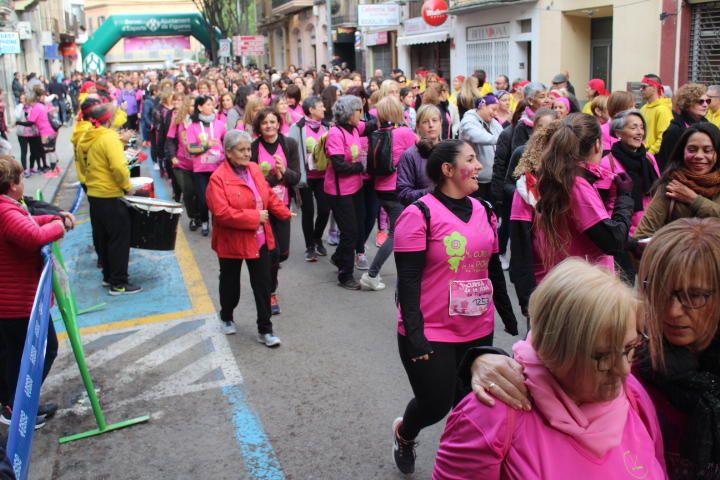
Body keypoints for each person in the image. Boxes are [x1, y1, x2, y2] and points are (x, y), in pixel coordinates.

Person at [465, 217, 720, 477]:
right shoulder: (631, 357)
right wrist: (484, 359)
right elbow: (555, 347)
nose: (672, 310)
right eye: (659, 289)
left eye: (694, 296)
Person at [434, 258, 665, 480]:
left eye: (629, 348)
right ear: (555, 351)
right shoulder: (492, 415)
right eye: (602, 356)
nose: (623, 370)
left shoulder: (633, 396)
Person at [391, 139, 517, 475]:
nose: (479, 167)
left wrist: (507, 312)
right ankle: (405, 433)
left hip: (477, 326)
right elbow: (408, 282)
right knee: (435, 405)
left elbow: (491, 267)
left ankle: (462, 466)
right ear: (448, 170)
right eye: (471, 160)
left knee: (472, 407)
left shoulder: (485, 211)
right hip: (431, 330)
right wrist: (415, 335)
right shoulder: (418, 215)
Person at [510, 114, 633, 304]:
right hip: (584, 291)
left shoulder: (547, 178)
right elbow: (612, 240)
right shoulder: (575, 183)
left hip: (558, 285)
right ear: (597, 145)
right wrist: (624, 198)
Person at [205, 130, 292, 346]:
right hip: (231, 241)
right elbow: (221, 213)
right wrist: (254, 217)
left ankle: (266, 330)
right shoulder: (218, 179)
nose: (247, 154)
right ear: (228, 152)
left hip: (259, 239)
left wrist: (283, 212)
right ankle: (226, 316)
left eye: (248, 149)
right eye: (241, 150)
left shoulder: (253, 169)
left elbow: (268, 195)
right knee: (230, 282)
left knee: (262, 285)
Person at [0, 155, 67, 429]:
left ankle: (13, 403)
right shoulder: (6, 211)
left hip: (14, 301)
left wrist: (54, 217)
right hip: (16, 303)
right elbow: (33, 236)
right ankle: (17, 408)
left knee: (14, 358)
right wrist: (59, 226)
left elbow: (29, 224)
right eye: (22, 178)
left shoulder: (10, 208)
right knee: (43, 351)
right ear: (14, 185)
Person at [77, 102, 141, 295]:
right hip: (110, 194)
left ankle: (108, 276)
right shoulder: (109, 138)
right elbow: (118, 167)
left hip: (95, 193)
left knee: (103, 237)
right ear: (110, 119)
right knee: (119, 239)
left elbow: (87, 161)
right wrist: (127, 186)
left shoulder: (87, 136)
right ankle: (119, 282)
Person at [359, 97, 417, 291]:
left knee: (402, 231)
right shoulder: (404, 132)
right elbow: (420, 151)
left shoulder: (377, 133)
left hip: (381, 188)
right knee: (397, 233)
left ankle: (408, 270)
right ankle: (372, 274)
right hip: (398, 189)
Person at [250, 108, 300, 315]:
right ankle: (270, 292)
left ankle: (271, 274)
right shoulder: (253, 148)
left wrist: (283, 172)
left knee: (283, 254)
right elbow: (252, 183)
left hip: (283, 206)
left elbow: (296, 177)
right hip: (262, 209)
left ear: (279, 124)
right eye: (265, 123)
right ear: (259, 127)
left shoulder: (289, 144)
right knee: (271, 253)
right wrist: (274, 176)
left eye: (273, 122)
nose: (269, 126)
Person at [634, 122, 720, 240]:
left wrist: (694, 200)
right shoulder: (671, 185)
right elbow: (642, 236)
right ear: (682, 152)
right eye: (692, 149)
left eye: (707, 150)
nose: (699, 156)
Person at [324, 95, 373, 290]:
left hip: (356, 188)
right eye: (358, 110)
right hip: (339, 191)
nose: (361, 114)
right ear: (349, 113)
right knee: (350, 231)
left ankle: (339, 257)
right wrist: (361, 167)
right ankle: (345, 275)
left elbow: (371, 126)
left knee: (357, 228)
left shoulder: (355, 127)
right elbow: (338, 165)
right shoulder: (336, 133)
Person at [288, 95, 330, 262]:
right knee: (308, 212)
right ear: (311, 110)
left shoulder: (327, 127)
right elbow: (291, 152)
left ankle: (317, 237)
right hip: (305, 177)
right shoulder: (297, 128)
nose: (324, 109)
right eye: (321, 106)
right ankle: (310, 246)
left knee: (325, 210)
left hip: (322, 176)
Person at [187, 95, 227, 237]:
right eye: (208, 104)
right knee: (203, 200)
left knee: (218, 199)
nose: (212, 107)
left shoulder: (220, 124)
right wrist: (206, 146)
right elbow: (191, 149)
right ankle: (204, 221)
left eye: (212, 104)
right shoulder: (193, 127)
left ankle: (218, 224)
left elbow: (227, 143)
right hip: (200, 169)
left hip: (218, 168)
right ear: (200, 107)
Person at [459, 95, 503, 201]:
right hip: (475, 180)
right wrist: (501, 141)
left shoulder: (493, 122)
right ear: (482, 106)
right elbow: (476, 136)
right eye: (493, 109)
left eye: (497, 110)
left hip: (492, 180)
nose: (495, 113)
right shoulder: (468, 121)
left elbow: (503, 134)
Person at [657, 83, 710, 171]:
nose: (705, 105)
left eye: (707, 101)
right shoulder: (674, 130)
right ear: (687, 104)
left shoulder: (708, 126)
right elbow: (667, 162)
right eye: (700, 101)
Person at [396, 105, 442, 206]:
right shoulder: (410, 155)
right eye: (425, 122)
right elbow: (403, 194)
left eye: (434, 120)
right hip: (423, 213)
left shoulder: (449, 150)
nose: (431, 125)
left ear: (441, 123)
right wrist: (433, 191)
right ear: (418, 126)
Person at [511, 82, 551, 152]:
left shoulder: (554, 119)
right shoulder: (522, 126)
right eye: (542, 97)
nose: (547, 100)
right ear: (530, 100)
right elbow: (519, 154)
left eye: (548, 96)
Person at [640, 75, 673, 155]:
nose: (641, 90)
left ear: (654, 88)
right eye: (641, 87)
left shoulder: (663, 110)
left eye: (644, 87)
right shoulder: (643, 108)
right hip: (642, 152)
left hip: (653, 156)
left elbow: (664, 138)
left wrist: (650, 153)